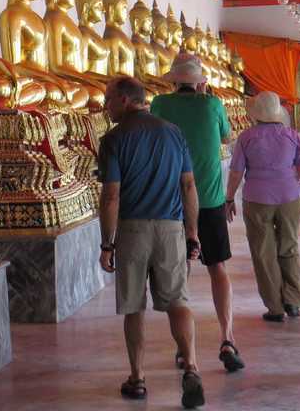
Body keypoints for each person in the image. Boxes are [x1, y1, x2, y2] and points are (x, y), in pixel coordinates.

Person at [99, 76, 206, 408]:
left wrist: (107, 242)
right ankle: (190, 366)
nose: (105, 106)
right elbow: (189, 186)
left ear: (126, 100)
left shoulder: (114, 138)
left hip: (132, 229)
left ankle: (138, 377)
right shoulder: (173, 132)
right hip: (170, 227)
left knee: (134, 306)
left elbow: (111, 195)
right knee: (178, 300)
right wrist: (192, 232)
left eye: (109, 99)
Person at [151, 53, 243, 372]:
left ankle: (184, 348)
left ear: (174, 81)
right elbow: (225, 137)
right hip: (209, 198)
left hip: (172, 198)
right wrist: (206, 100)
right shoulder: (212, 105)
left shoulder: (160, 103)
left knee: (181, 272)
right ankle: (227, 337)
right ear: (201, 81)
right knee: (217, 266)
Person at [226, 91, 300, 322]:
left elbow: (237, 172)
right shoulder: (292, 136)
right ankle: (293, 301)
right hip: (289, 197)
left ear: (256, 114)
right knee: (289, 247)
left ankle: (275, 307)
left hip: (257, 199)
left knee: (263, 252)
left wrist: (228, 199)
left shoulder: (246, 138)